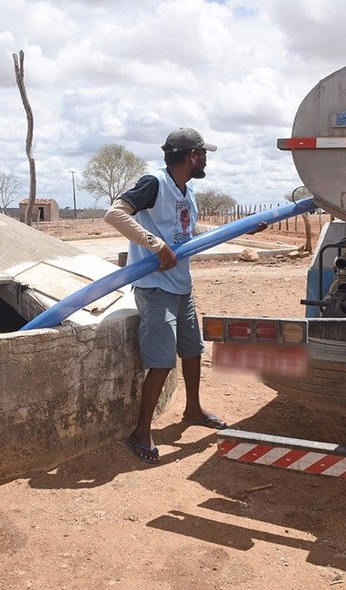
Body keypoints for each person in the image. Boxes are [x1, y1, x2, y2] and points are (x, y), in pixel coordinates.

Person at [105, 127, 229, 464]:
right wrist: (155, 245)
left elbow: (186, 233)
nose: (205, 160)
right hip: (156, 289)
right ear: (192, 156)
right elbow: (114, 214)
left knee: (192, 351)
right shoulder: (154, 183)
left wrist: (240, 228)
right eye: (203, 154)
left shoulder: (186, 192)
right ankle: (140, 432)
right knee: (161, 361)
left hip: (181, 287)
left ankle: (192, 409)